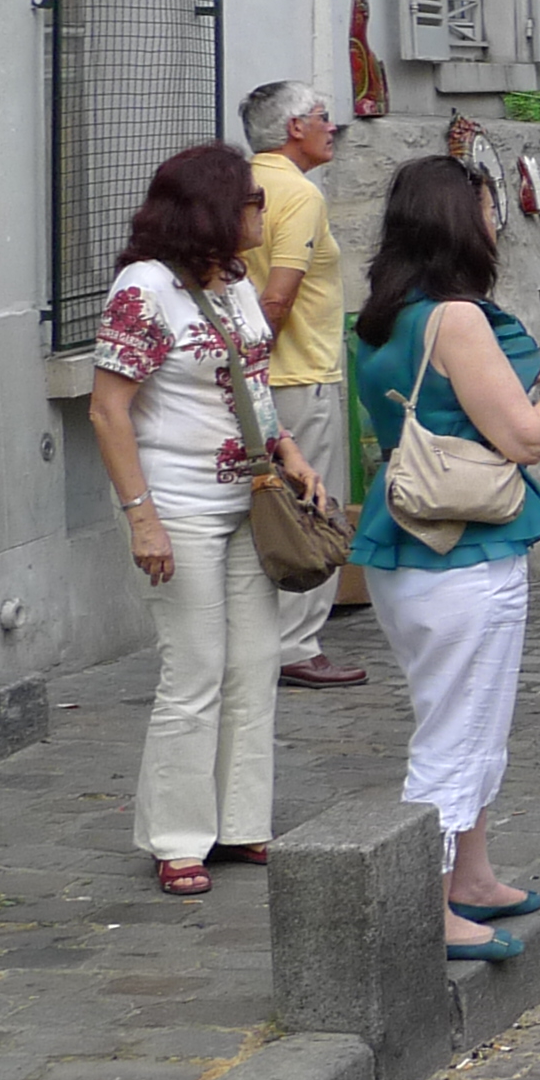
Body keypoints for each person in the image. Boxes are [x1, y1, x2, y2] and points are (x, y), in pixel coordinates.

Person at [349, 155, 540, 959]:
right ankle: (423, 905)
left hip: (404, 543)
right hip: (463, 549)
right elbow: (527, 438)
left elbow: (442, 397)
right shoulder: (458, 317)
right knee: (460, 730)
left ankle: (471, 877)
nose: (497, 222)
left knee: (463, 719)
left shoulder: (386, 316)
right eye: (488, 209)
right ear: (460, 222)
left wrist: (539, 360)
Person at [87, 144, 331, 900]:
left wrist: (289, 449)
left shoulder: (231, 280)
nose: (262, 212)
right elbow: (108, 408)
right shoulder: (144, 289)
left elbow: (252, 379)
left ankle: (240, 821)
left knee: (254, 663)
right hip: (180, 504)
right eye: (252, 202)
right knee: (192, 671)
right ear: (212, 209)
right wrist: (142, 519)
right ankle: (177, 837)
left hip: (249, 500)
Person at [243, 82, 365, 691]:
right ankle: (297, 645)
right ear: (294, 127)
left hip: (262, 378)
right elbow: (279, 295)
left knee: (264, 514)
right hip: (299, 374)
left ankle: (269, 641)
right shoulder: (299, 194)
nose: (332, 125)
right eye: (322, 116)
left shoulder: (246, 186)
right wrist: (252, 364)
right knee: (310, 514)